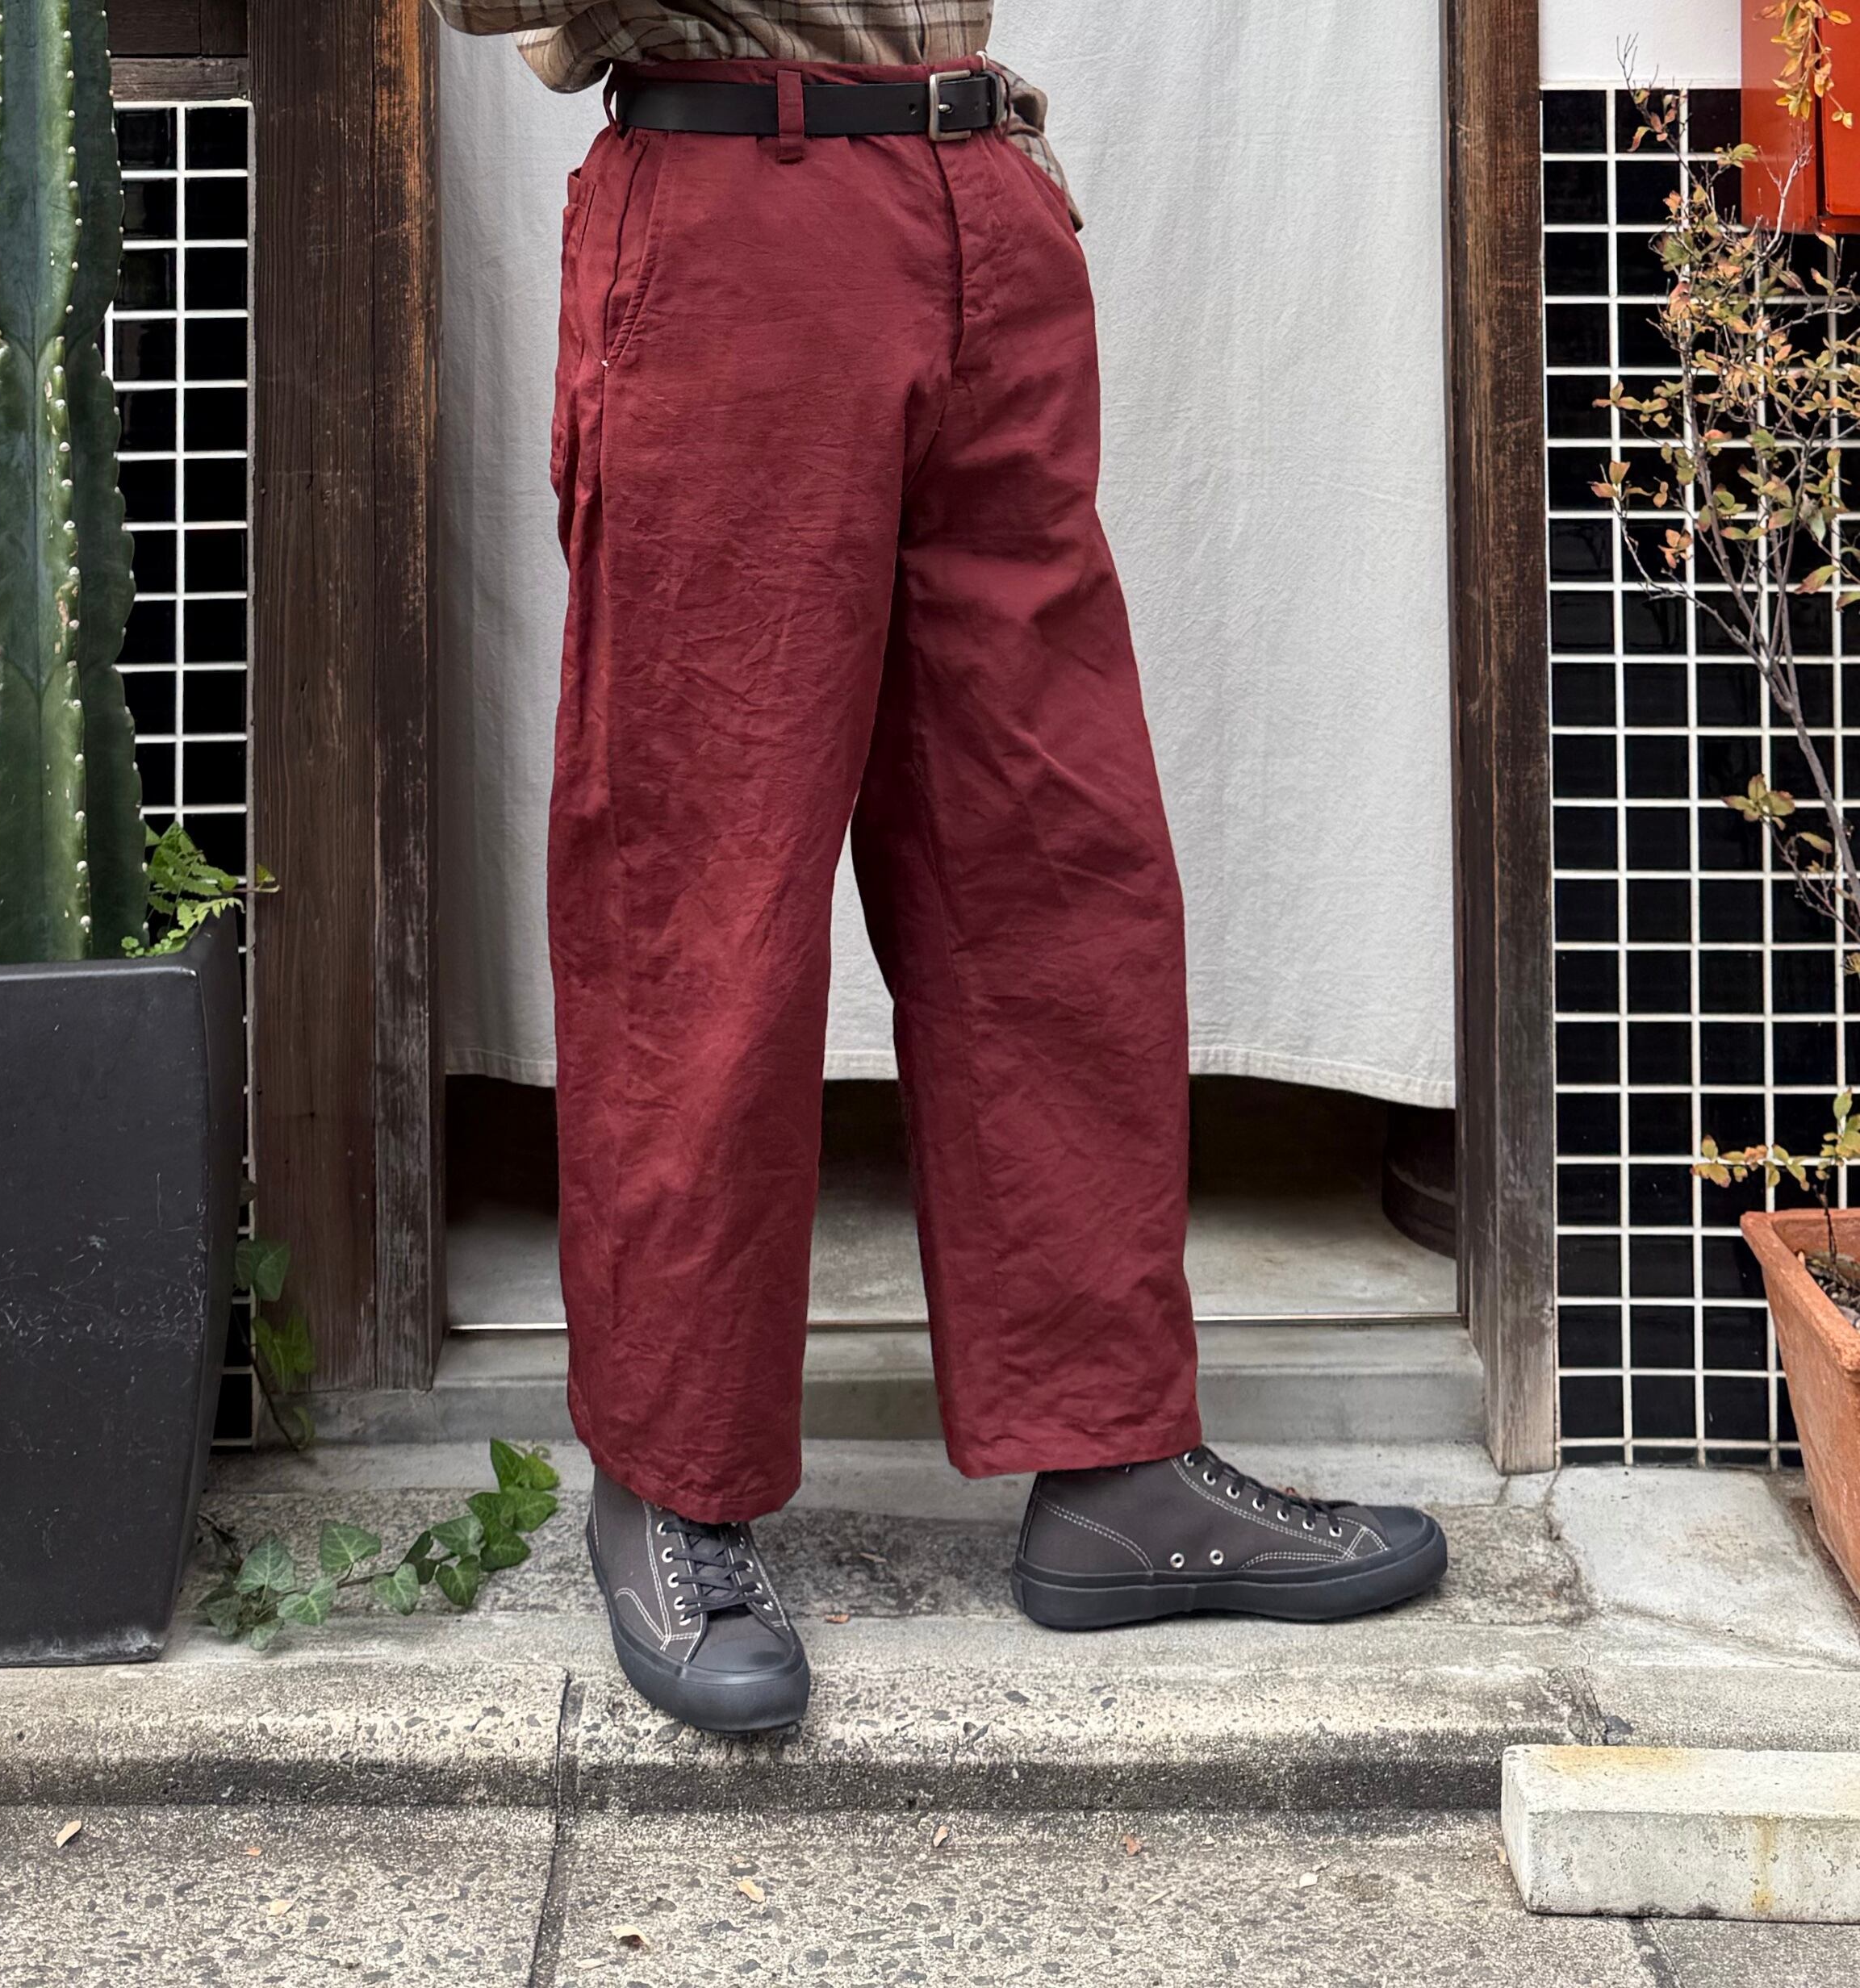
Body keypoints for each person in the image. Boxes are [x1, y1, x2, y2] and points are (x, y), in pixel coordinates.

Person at [431, 2, 1450, 1735]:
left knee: (1059, 869)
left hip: (979, 195)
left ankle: (1113, 1458)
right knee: (707, 893)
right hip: (735, 218)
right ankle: (669, 1481)